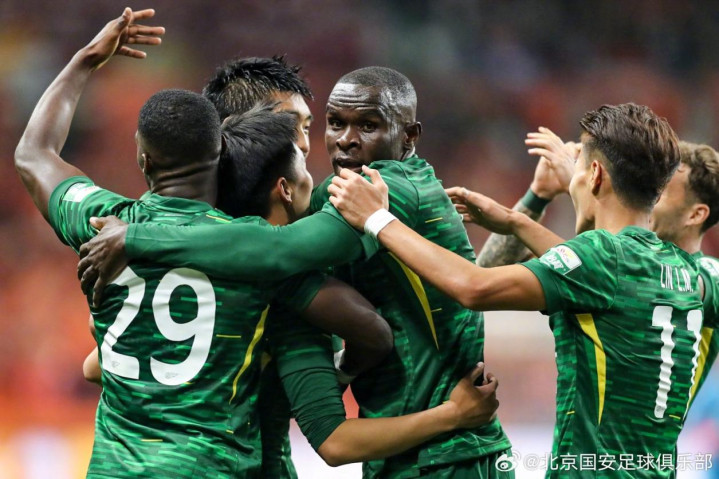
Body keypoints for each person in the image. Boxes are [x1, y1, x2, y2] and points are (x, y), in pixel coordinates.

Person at [15, 10, 497, 477]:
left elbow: (35, 156)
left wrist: (85, 60)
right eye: (297, 128)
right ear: (225, 142)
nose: (308, 144)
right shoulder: (267, 256)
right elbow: (367, 329)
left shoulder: (105, 224)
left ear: (143, 158)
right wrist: (342, 370)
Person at [328, 103, 717, 477]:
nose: (572, 180)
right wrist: (518, 220)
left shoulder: (604, 259)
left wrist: (377, 218)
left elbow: (473, 287)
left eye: (578, 169)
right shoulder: (682, 269)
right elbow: (600, 277)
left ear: (596, 175)